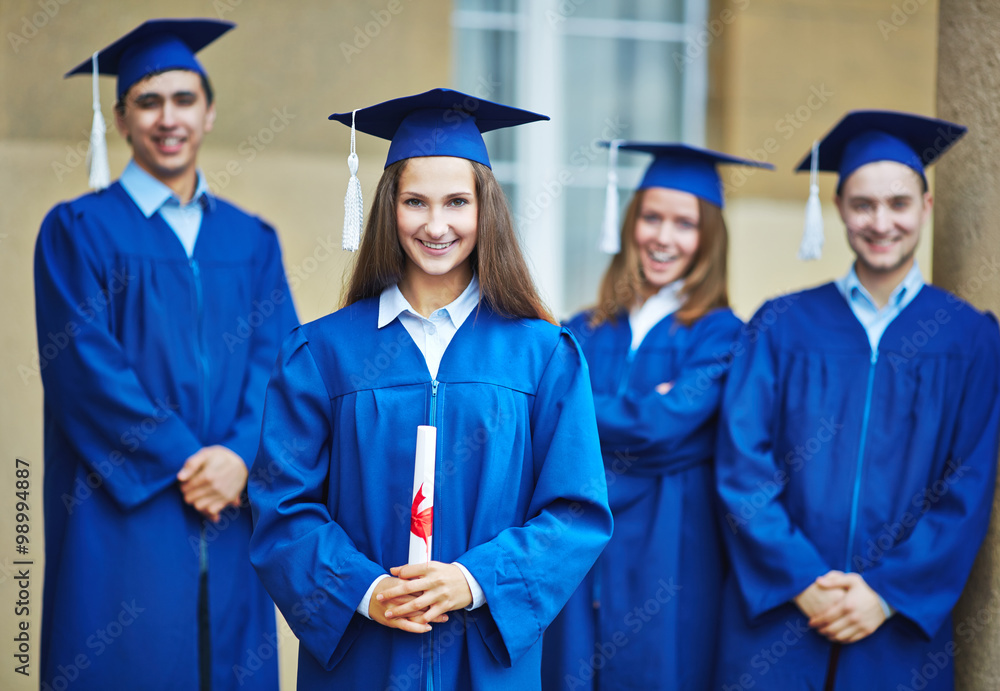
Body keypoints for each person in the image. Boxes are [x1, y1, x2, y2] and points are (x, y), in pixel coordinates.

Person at [247, 88, 613, 690]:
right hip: (366, 654)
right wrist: (364, 591)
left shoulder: (542, 355)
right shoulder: (324, 353)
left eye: (456, 203)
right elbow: (281, 507)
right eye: (415, 201)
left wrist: (473, 581)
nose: (436, 225)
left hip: (486, 658)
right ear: (389, 208)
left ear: (484, 211)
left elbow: (575, 512)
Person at [35, 19, 298, 691]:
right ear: (120, 118)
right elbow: (85, 371)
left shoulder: (252, 239)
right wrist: (188, 460)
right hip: (124, 511)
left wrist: (241, 456)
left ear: (208, 113)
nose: (168, 117)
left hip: (234, 513)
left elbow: (280, 366)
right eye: (148, 102)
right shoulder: (79, 232)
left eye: (184, 99)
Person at [714, 110, 1000, 690]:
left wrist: (887, 593)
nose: (881, 221)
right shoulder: (782, 323)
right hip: (784, 614)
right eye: (863, 204)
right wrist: (803, 579)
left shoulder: (968, 338)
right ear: (840, 209)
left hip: (894, 626)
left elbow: (967, 488)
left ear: (926, 208)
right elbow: (743, 462)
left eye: (898, 203)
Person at [542, 143, 769, 690]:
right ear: (630, 223)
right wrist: (652, 414)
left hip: (673, 543)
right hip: (579, 544)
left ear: (708, 238)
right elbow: (546, 423)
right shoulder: (584, 328)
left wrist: (580, 416)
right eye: (652, 217)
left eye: (684, 224)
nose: (663, 237)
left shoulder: (723, 334)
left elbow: (662, 426)